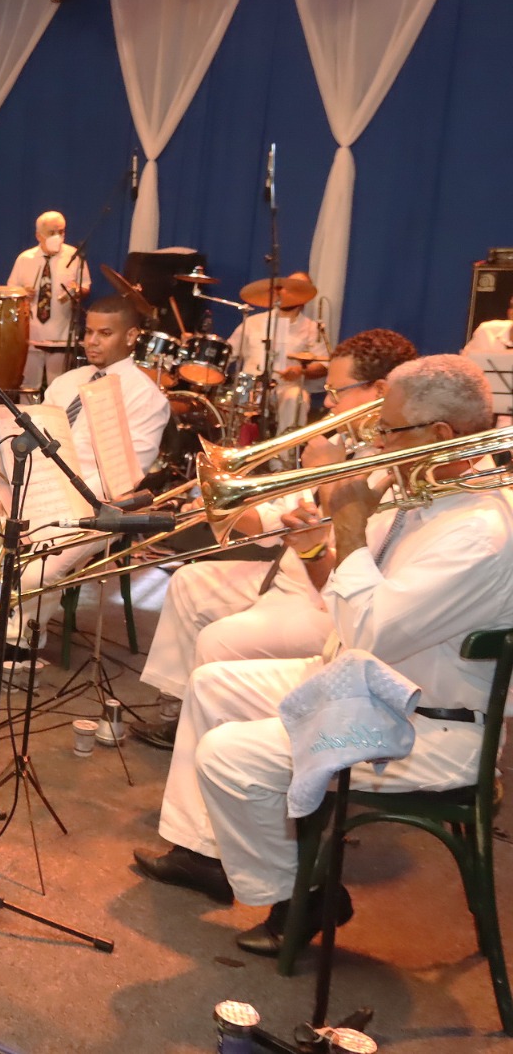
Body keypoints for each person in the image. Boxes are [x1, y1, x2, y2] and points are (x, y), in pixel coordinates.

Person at [131, 355, 513, 955]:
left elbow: (370, 630)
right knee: (211, 683)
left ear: (441, 436)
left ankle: (304, 894)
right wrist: (315, 552)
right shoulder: (423, 490)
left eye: (388, 432)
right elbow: (346, 606)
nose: (376, 444)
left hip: (423, 725)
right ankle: (203, 855)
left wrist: (352, 523)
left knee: (228, 755)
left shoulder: (479, 530)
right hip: (368, 684)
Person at [133, 330, 419, 749]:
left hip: (329, 600)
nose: (328, 403)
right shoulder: (343, 442)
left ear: (379, 390)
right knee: (189, 583)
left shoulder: (393, 462)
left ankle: (219, 743)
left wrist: (329, 475)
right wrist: (220, 508)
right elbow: (281, 515)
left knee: (219, 639)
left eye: (338, 392)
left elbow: (348, 548)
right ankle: (181, 709)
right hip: (290, 573)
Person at [0, 296, 169, 666]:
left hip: (96, 507)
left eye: (105, 334)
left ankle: (15, 641)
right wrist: (12, 483)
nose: (92, 341)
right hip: (35, 492)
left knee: (32, 573)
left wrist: (67, 500)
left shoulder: (146, 395)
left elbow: (129, 473)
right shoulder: (67, 381)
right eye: (89, 332)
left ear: (132, 337)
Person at [227, 272, 327, 433]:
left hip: (285, 387)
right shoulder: (253, 322)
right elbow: (227, 352)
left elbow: (323, 364)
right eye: (287, 287)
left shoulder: (312, 328)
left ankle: (283, 456)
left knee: (297, 398)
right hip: (251, 387)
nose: (289, 292)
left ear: (307, 295)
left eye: (298, 288)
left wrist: (301, 371)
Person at [6, 210, 89, 389]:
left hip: (60, 334)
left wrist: (76, 291)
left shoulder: (73, 256)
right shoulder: (25, 259)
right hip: (31, 334)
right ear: (39, 236)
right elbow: (11, 290)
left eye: (61, 232)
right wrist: (22, 292)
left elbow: (85, 286)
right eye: (52, 233)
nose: (58, 237)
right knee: (29, 385)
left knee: (59, 384)